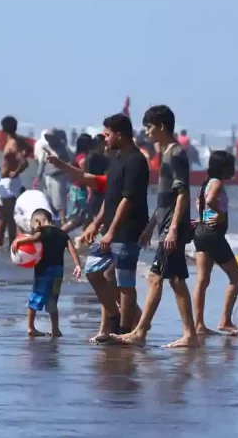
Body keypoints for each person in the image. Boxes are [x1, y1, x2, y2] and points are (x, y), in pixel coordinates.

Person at [111, 105, 199, 348]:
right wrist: (151, 226)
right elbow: (165, 199)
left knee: (155, 277)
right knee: (176, 280)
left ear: (161, 126)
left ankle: (140, 332)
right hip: (168, 225)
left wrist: (171, 230)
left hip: (173, 227)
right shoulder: (168, 153)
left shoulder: (176, 154)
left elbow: (182, 194)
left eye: (148, 127)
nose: (146, 131)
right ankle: (190, 334)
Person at [81, 113, 149, 343]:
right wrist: (96, 223)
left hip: (128, 229)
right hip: (109, 228)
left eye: (108, 135)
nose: (105, 139)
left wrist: (111, 231)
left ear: (119, 134)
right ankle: (113, 315)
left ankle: (123, 330)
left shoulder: (136, 161)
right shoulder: (117, 158)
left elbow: (127, 199)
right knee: (92, 270)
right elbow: (110, 198)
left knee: (124, 282)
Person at [192, 150, 238, 336]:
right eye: (230, 166)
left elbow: (200, 203)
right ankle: (225, 321)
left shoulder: (205, 182)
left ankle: (198, 324)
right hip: (213, 234)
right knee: (237, 277)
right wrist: (220, 215)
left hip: (202, 232)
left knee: (202, 279)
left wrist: (202, 218)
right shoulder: (217, 183)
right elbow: (211, 200)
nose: (233, 170)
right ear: (223, 168)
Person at [12, 209, 82, 337]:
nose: (33, 229)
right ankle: (55, 329)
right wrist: (77, 265)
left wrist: (19, 241)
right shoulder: (62, 233)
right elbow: (71, 248)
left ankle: (30, 327)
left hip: (44, 271)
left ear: (38, 221)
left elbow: (35, 238)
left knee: (36, 296)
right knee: (53, 299)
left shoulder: (41, 230)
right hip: (58, 272)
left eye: (32, 225)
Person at [0, 115, 32, 247]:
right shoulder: (18, 140)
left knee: (9, 217)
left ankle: (11, 245)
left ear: (3, 129)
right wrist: (22, 156)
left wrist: (15, 172)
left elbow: (24, 163)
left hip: (9, 183)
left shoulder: (12, 144)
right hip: (7, 182)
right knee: (1, 215)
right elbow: (29, 150)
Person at [36, 128, 71, 224]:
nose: (49, 139)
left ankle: (63, 221)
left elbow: (67, 162)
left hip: (59, 177)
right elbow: (42, 162)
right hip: (47, 176)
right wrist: (38, 176)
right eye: (48, 137)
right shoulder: (45, 147)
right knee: (49, 200)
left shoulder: (62, 148)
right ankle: (54, 222)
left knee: (59, 202)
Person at [61, 133, 92, 233]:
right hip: (81, 191)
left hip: (75, 189)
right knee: (76, 220)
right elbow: (85, 177)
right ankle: (57, 235)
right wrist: (90, 192)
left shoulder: (77, 156)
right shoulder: (83, 159)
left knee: (81, 219)